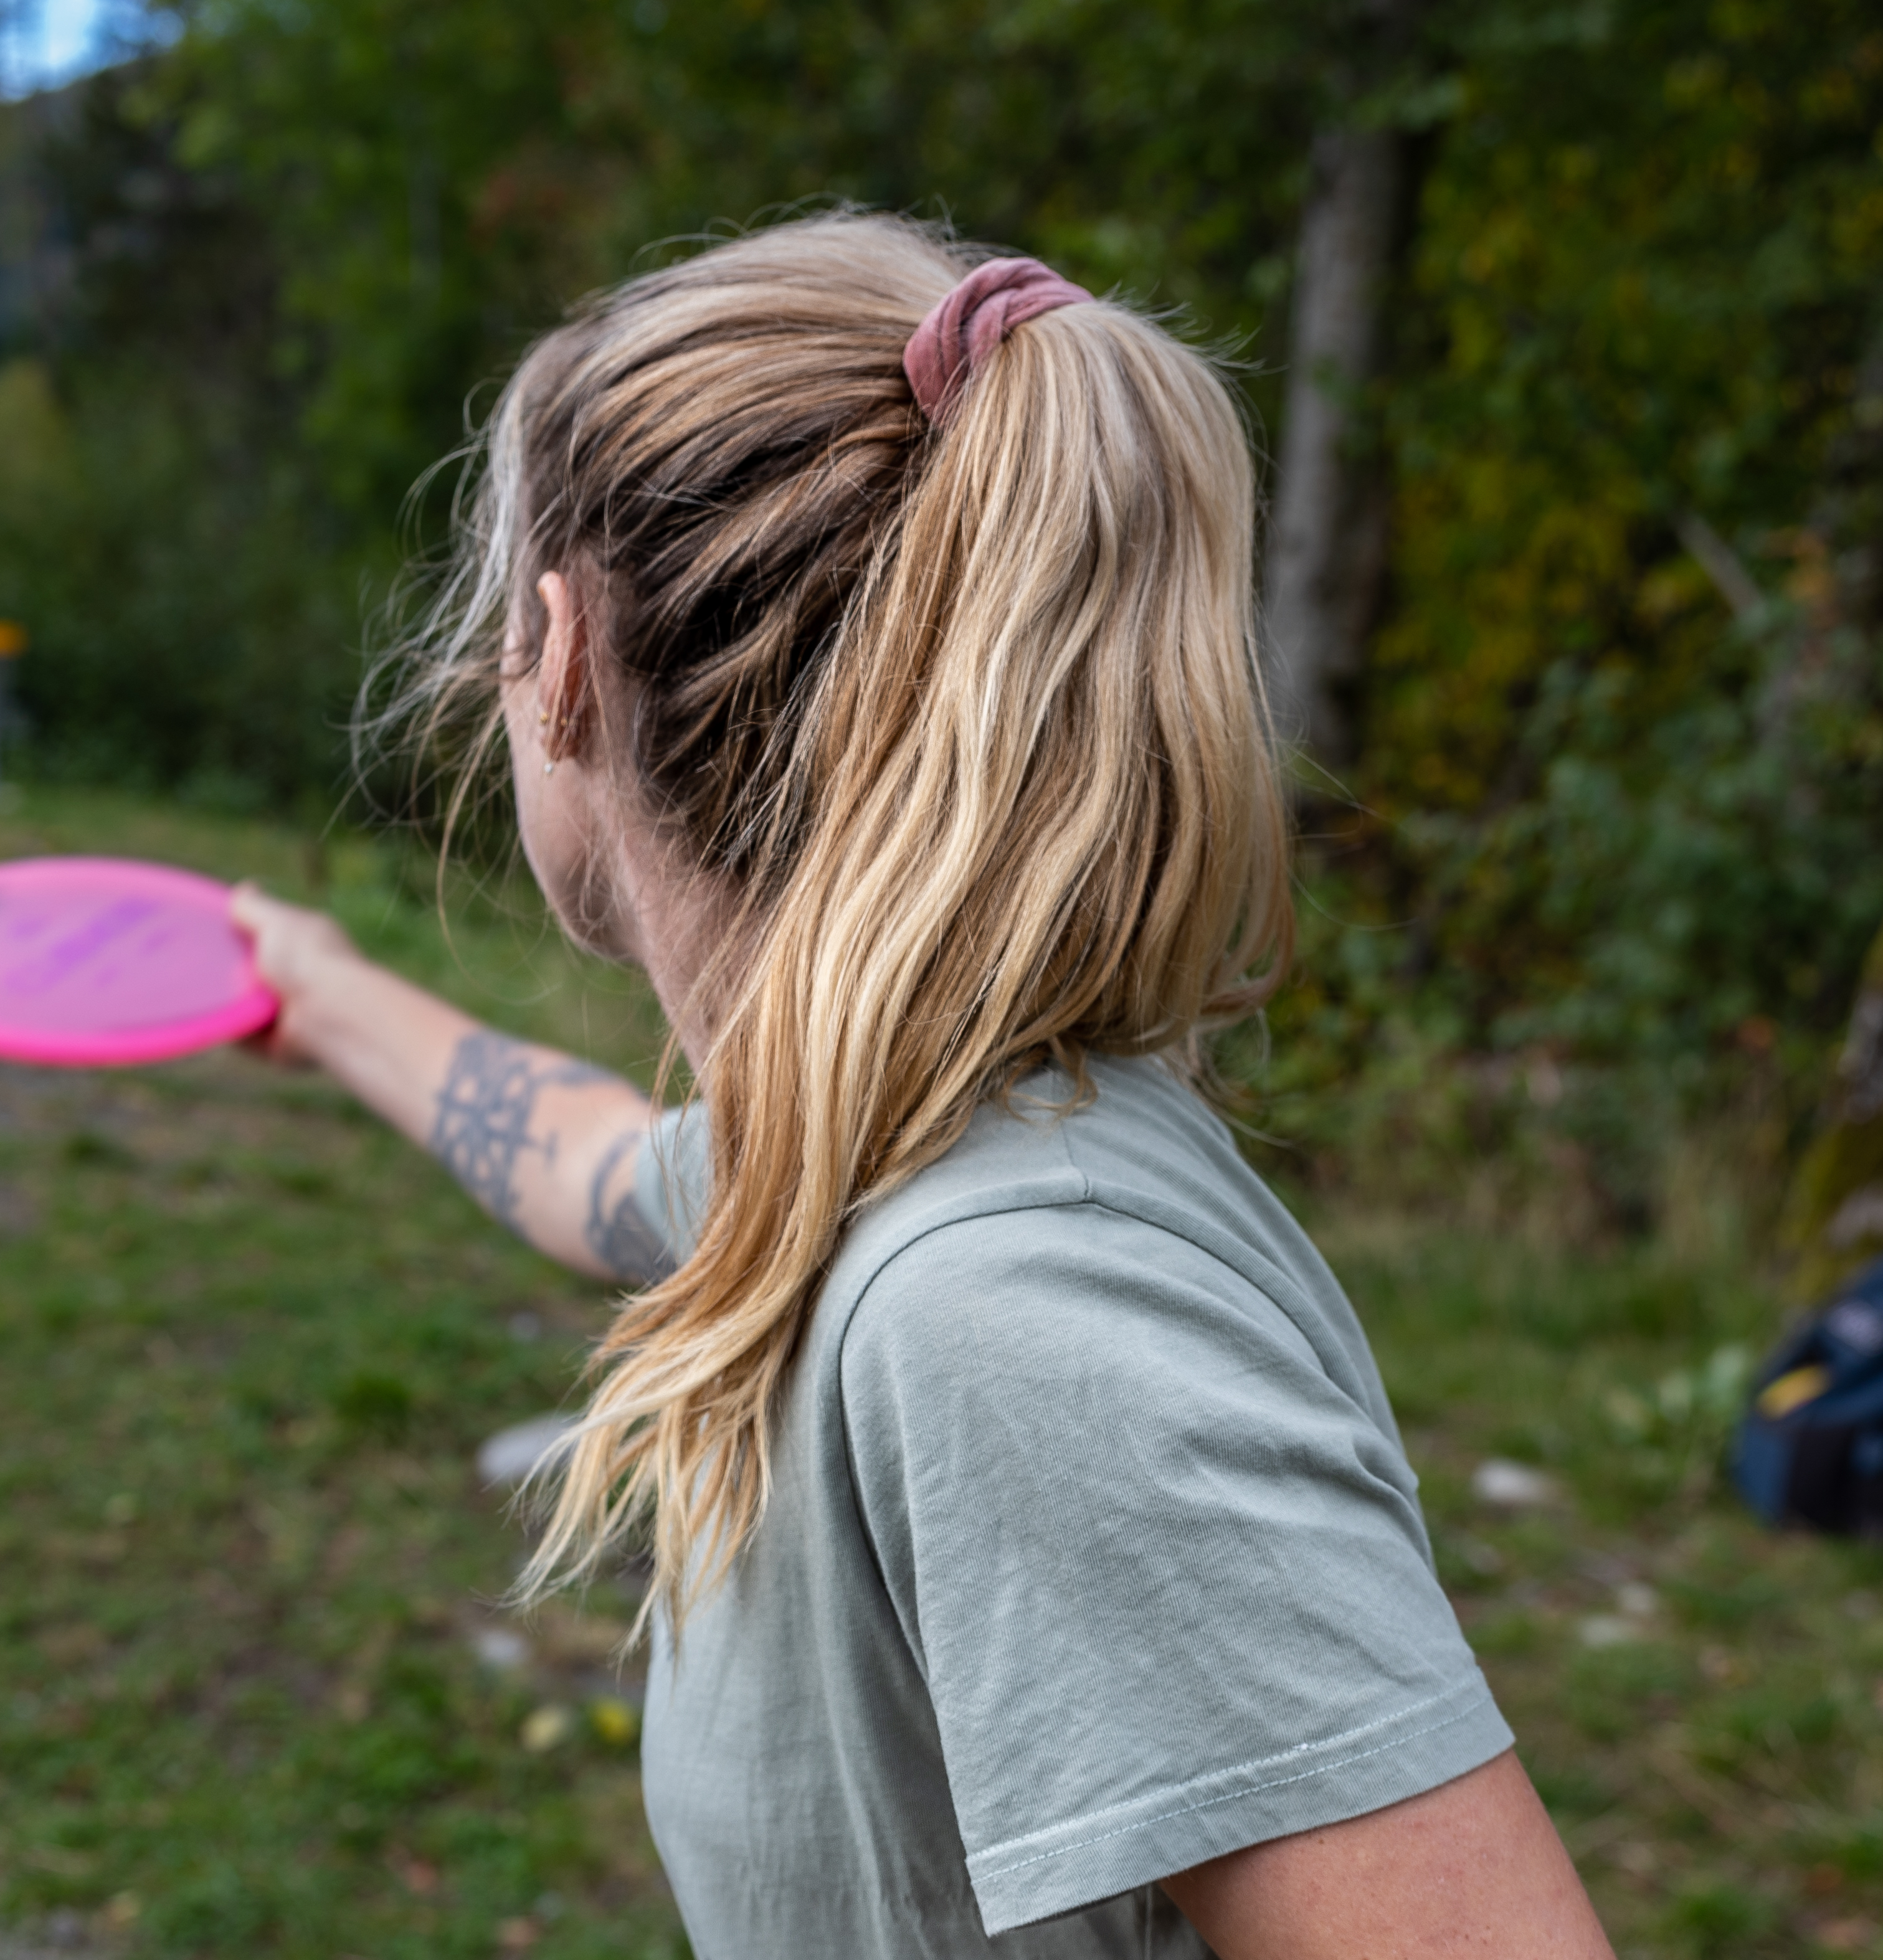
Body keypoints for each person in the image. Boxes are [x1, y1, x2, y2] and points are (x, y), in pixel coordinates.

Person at [229, 214, 1614, 1958]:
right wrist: (323, 994)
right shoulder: (872, 1140)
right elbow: (591, 1166)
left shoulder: (1010, 1299)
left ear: (565, 656)